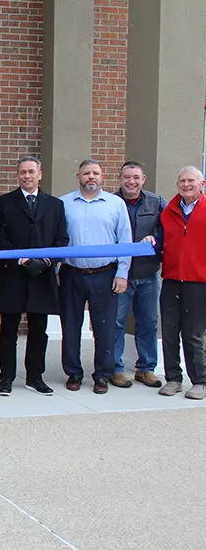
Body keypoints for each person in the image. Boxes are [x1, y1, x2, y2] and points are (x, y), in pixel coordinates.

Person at [0, 157, 69, 396]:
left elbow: (62, 240)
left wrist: (46, 261)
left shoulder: (55, 205)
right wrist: (20, 259)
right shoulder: (3, 203)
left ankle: (35, 377)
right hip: (13, 275)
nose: (27, 176)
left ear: (40, 175)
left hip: (42, 277)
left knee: (38, 330)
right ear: (18, 175)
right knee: (8, 330)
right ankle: (6, 377)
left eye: (31, 172)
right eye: (23, 172)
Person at [59, 159, 132, 394]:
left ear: (102, 177)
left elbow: (125, 241)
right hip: (72, 274)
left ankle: (102, 375)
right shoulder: (64, 203)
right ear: (78, 176)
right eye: (86, 173)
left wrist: (122, 273)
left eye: (95, 173)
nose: (91, 177)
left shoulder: (115, 204)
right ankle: (73, 373)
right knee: (71, 326)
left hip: (105, 274)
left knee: (105, 328)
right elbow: (57, 239)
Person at [111, 161, 165, 389]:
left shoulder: (156, 202)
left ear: (143, 179)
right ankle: (115, 368)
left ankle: (146, 368)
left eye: (136, 177)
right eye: (127, 177)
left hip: (148, 273)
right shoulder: (111, 202)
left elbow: (168, 229)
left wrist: (155, 238)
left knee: (149, 321)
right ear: (120, 179)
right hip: (120, 275)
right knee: (116, 322)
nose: (131, 182)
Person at [158, 166, 206, 399]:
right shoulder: (169, 211)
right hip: (171, 279)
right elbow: (160, 240)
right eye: (182, 181)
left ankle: (200, 381)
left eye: (191, 181)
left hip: (199, 281)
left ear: (202, 184)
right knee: (169, 331)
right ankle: (173, 379)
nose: (186, 185)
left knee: (193, 334)